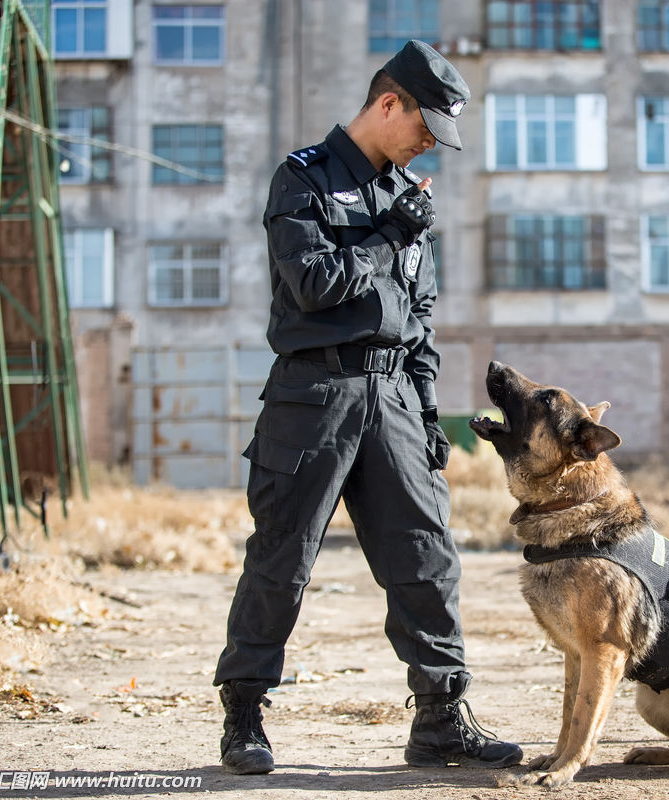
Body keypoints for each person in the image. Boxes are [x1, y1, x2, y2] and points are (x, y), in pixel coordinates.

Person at [213, 40, 522, 775]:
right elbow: (316, 283)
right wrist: (390, 238)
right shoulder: (303, 180)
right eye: (423, 129)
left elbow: (421, 322)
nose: (427, 147)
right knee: (281, 559)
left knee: (426, 557)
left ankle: (442, 718)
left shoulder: (405, 200)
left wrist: (425, 417)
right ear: (390, 104)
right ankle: (244, 717)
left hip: (390, 399)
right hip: (311, 397)